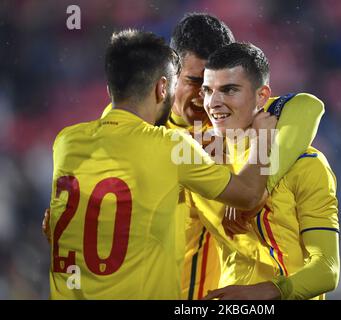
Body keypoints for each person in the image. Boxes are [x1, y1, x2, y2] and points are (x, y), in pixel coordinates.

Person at [44, 13, 326, 299]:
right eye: (194, 82)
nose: (204, 97)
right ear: (169, 78)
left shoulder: (233, 122)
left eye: (215, 84)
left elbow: (306, 107)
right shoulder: (151, 137)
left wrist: (261, 180)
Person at [188, 42, 340, 300]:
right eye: (208, 91)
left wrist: (266, 292)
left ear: (262, 96)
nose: (214, 103)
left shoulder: (305, 164)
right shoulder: (199, 160)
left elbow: (327, 270)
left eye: (229, 90)